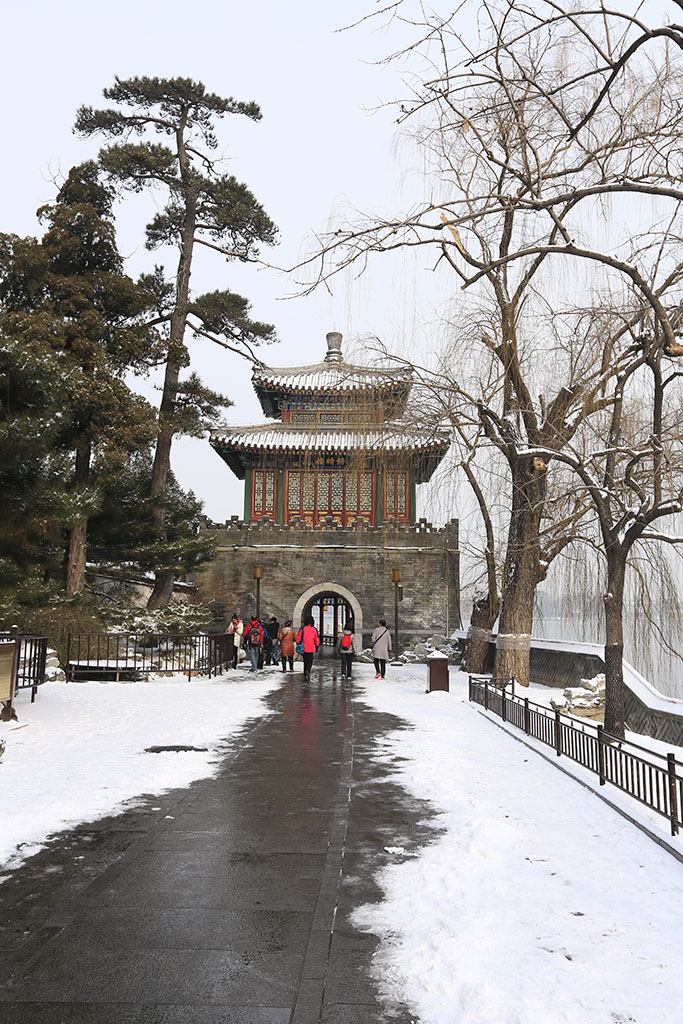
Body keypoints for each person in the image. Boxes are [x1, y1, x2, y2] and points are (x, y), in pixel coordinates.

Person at [296, 615, 320, 681]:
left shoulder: (302, 629)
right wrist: (317, 646)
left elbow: (298, 638)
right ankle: (308, 671)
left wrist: (298, 643)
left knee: (305, 661)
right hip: (311, 648)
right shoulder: (314, 629)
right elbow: (316, 639)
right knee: (310, 661)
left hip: (303, 648)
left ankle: (305, 673)